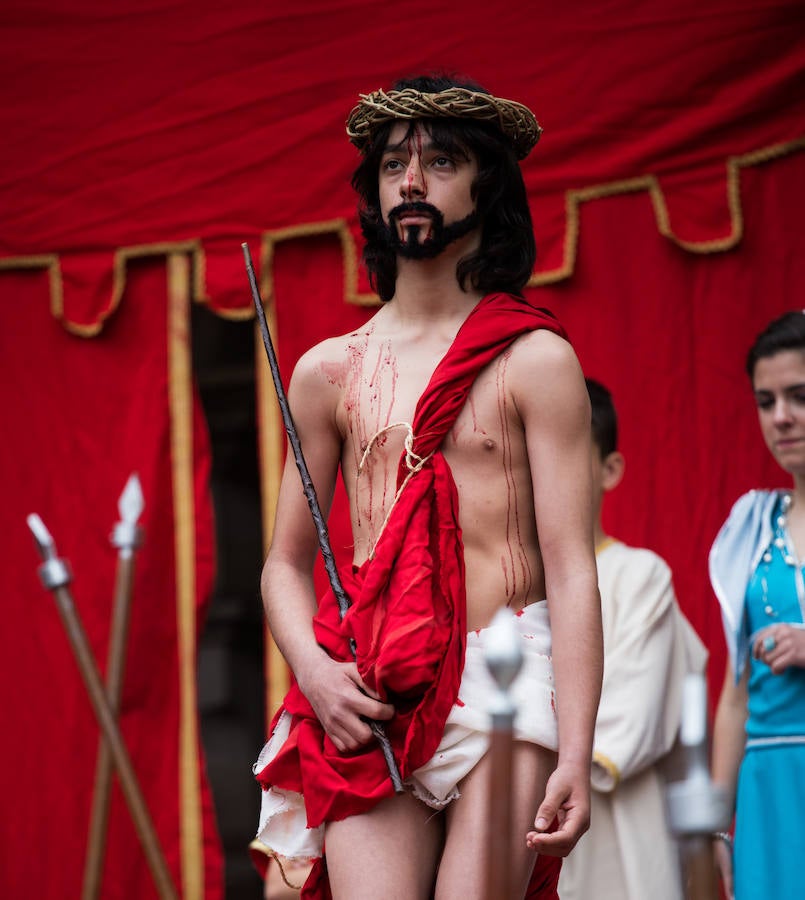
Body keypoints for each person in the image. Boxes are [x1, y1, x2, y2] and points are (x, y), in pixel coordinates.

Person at [250, 73, 603, 900]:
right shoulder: (326, 371)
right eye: (393, 166)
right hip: (371, 686)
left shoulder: (534, 360)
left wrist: (579, 753)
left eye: (440, 161)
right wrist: (313, 670)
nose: (411, 182)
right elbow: (281, 566)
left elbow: (571, 564)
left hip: (507, 676)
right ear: (373, 195)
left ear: (487, 185)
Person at [557, 379, 707, 900]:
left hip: (617, 848)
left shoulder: (639, 576)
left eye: (568, 453)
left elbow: (628, 719)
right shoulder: (504, 584)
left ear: (610, 469)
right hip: (517, 836)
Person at [709, 311, 805, 900]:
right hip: (767, 788)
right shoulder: (750, 524)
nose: (782, 417)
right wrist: (719, 826)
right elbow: (734, 693)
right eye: (766, 401)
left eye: (799, 396)